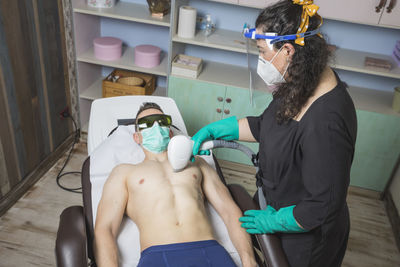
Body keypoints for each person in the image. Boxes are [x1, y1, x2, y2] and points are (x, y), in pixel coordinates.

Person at [191, 1, 357, 266]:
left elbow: (321, 207)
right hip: (274, 204)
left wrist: (273, 221)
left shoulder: (326, 123)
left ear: (288, 50)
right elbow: (266, 125)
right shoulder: (301, 81)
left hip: (305, 239)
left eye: (261, 52)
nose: (261, 61)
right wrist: (216, 129)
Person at [94, 102, 256, 267]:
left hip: (210, 252)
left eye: (162, 121)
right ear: (137, 137)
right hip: (158, 256)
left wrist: (248, 260)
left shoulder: (197, 163)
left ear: (170, 132)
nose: (156, 126)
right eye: (147, 123)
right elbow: (105, 229)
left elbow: (229, 211)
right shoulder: (124, 172)